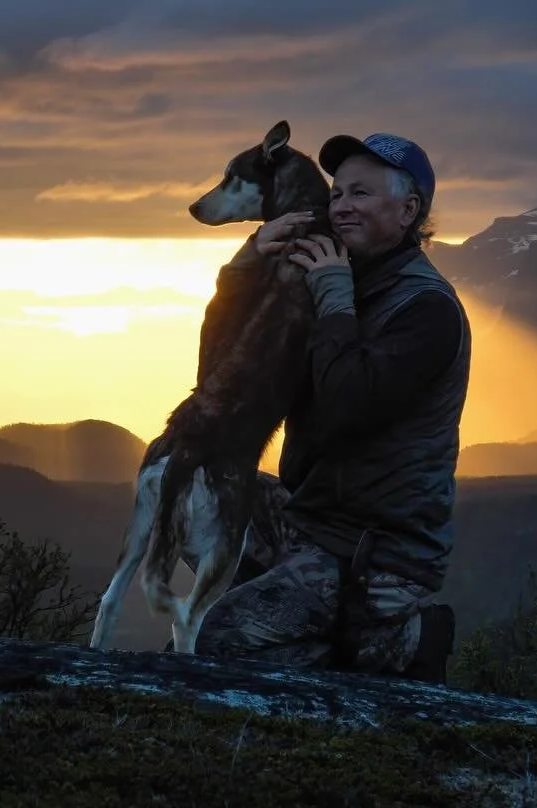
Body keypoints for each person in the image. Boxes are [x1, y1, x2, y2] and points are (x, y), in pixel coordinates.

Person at [181, 131, 472, 684]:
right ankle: (297, 620)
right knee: (188, 485)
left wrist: (333, 294)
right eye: (337, 193)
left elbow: (347, 406)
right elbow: (221, 378)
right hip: (311, 518)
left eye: (361, 194)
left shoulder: (425, 309)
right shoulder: (329, 275)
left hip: (373, 551)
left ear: (408, 211)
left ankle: (397, 641)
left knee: (218, 641)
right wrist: (244, 272)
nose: (340, 206)